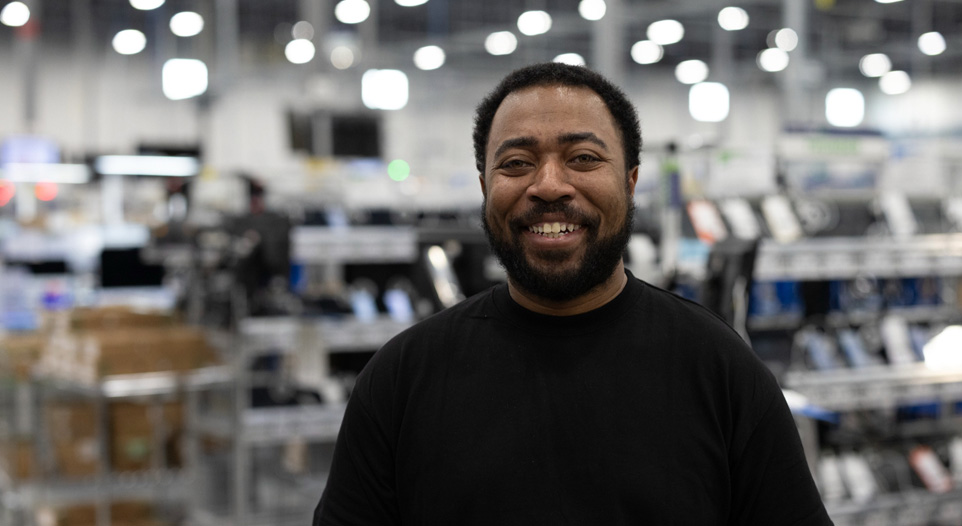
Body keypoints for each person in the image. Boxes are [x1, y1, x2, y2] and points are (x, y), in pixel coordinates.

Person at [313, 62, 833, 525]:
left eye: (583, 158)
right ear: (484, 188)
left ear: (630, 183)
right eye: (516, 163)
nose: (549, 185)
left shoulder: (721, 371)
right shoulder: (402, 379)